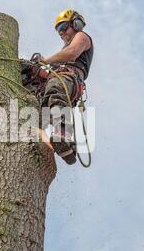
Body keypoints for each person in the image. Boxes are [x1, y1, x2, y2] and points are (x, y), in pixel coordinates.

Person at [26, 9, 94, 165]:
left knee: (55, 90)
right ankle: (42, 146)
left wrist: (44, 61)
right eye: (58, 30)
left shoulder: (81, 37)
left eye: (64, 27)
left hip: (68, 79)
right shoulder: (63, 51)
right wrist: (35, 70)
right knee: (40, 106)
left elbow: (71, 53)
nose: (61, 33)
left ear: (76, 24)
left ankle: (63, 134)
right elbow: (51, 71)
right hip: (59, 79)